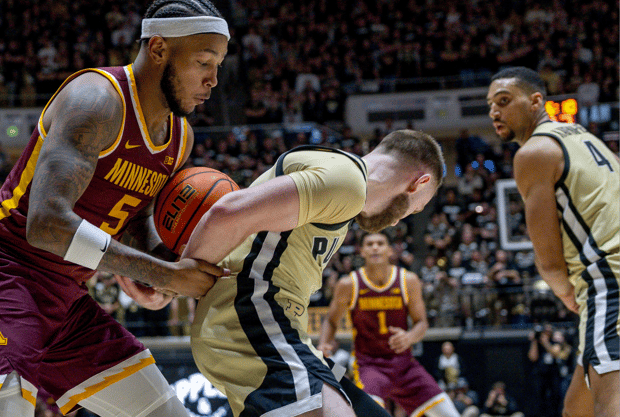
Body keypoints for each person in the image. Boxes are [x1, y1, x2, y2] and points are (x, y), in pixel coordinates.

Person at [0, 1, 230, 417]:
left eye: (219, 65)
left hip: (69, 298)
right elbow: (46, 226)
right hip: (4, 273)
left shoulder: (180, 138)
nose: (213, 80)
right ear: (158, 49)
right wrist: (161, 273)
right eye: (204, 62)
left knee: (165, 412)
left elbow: (133, 218)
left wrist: (159, 266)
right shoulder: (96, 100)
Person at [183, 130, 446, 417]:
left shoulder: (337, 175)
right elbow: (227, 213)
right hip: (251, 317)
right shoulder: (346, 182)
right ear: (419, 182)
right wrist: (173, 279)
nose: (398, 221)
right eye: (414, 209)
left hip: (273, 328)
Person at [487, 67, 619, 417]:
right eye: (490, 105)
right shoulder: (586, 138)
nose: (494, 112)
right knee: (577, 408)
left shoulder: (534, 153)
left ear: (535, 101)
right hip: (609, 283)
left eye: (504, 101)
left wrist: (566, 295)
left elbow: (548, 261)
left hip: (609, 284)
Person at [317, 232, 460, 417]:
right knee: (370, 414)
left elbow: (422, 323)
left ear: (390, 250)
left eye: (380, 243)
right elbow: (331, 320)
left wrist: (409, 337)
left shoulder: (408, 280)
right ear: (361, 251)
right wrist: (323, 343)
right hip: (369, 366)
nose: (375, 247)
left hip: (405, 366)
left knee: (451, 414)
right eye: (369, 244)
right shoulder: (349, 284)